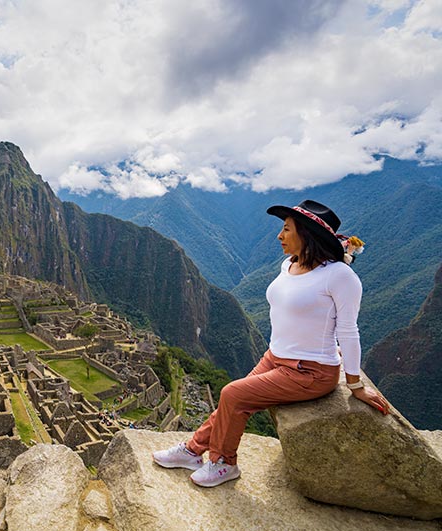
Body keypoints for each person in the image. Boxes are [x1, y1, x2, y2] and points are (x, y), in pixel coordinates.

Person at [152, 200, 389, 488]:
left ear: (307, 234)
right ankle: (192, 451)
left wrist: (355, 385)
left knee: (232, 394)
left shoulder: (340, 276)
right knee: (233, 402)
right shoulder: (289, 264)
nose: (280, 236)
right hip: (276, 356)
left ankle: (225, 463)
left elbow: (349, 331)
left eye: (286, 229)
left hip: (310, 371)